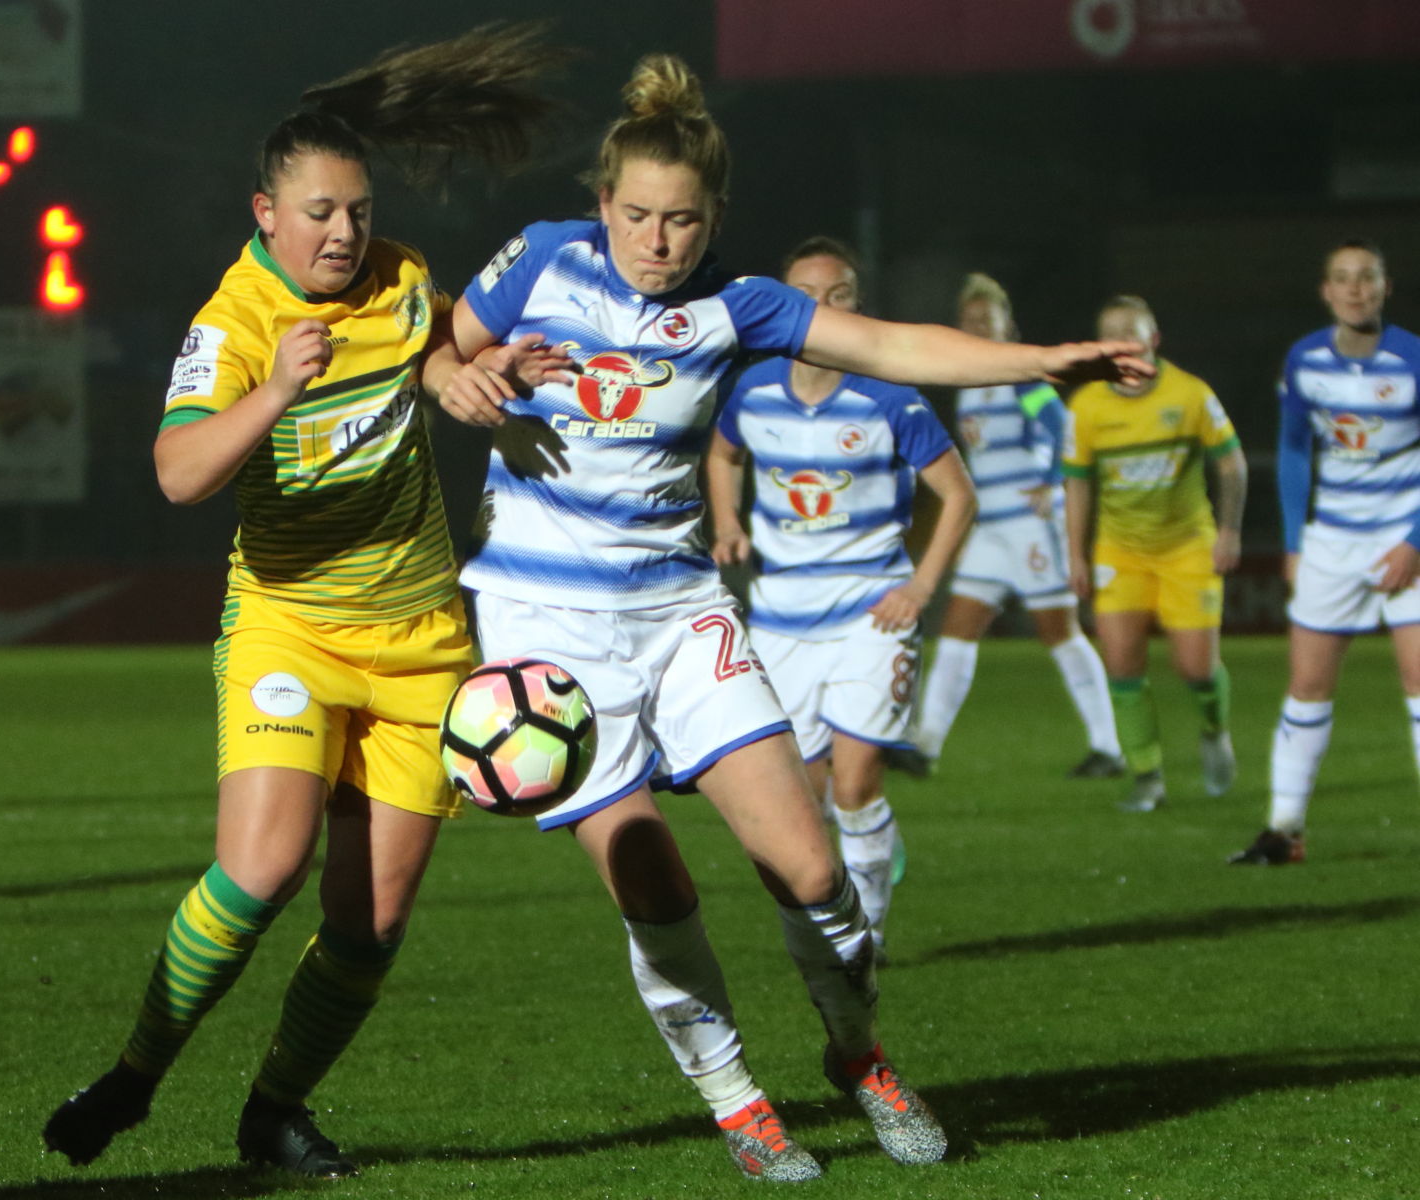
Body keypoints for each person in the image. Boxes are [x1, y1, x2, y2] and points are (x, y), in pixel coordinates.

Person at [441, 54, 1148, 1181]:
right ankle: (735, 1101)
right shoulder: (537, 261)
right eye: (635, 215)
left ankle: (859, 1056)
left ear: (714, 217)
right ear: (601, 205)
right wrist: (449, 378)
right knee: (655, 886)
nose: (656, 240)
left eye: (681, 220)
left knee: (814, 873)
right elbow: (437, 341)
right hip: (544, 635)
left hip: (678, 614)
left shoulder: (743, 306)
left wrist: (1044, 360)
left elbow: (900, 346)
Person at [39, 27, 551, 1178]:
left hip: (422, 646)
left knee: (369, 926)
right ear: (265, 213)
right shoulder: (232, 325)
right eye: (320, 212)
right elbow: (178, 475)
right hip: (290, 626)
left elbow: (432, 340)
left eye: (358, 211)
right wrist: (274, 391)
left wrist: (468, 372)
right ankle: (135, 1074)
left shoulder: (402, 277)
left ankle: (274, 1109)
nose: (344, 233)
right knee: (259, 872)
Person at [705, 236, 977, 964]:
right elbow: (722, 452)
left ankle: (869, 939)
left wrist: (920, 586)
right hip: (780, 621)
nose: (822, 310)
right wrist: (727, 521)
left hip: (869, 614)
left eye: (840, 295)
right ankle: (861, 885)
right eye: (807, 296)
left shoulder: (890, 397)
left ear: (859, 307)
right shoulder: (754, 388)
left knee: (857, 783)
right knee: (810, 802)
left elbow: (958, 495)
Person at [1233, 240, 1420, 865]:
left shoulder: (1413, 358)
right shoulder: (1305, 359)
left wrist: (1414, 541)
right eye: (1342, 279)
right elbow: (1293, 452)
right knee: (1308, 683)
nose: (1355, 289)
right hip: (1331, 541)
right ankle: (1284, 831)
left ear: (1385, 287)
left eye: (1366, 278)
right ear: (1326, 291)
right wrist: (1293, 542)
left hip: (1404, 536)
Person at [897, 273, 1123, 779]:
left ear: (1008, 326)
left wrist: (1050, 482)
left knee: (1057, 631)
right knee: (957, 628)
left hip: (1029, 524)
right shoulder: (972, 384)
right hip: (990, 528)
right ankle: (926, 745)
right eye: (970, 319)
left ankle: (1108, 747)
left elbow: (1060, 427)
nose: (977, 326)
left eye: (987, 318)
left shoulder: (1022, 378)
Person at [1063, 295, 1246, 813]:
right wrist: (1075, 554)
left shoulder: (1190, 395)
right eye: (1113, 337)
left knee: (1197, 669)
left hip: (1187, 548)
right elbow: (1077, 486)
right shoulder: (1087, 407)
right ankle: (1147, 776)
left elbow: (1232, 466)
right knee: (1121, 665)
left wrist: (1229, 532)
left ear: (1154, 341)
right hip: (1120, 552)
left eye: (1133, 335)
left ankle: (1214, 730)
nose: (1125, 345)